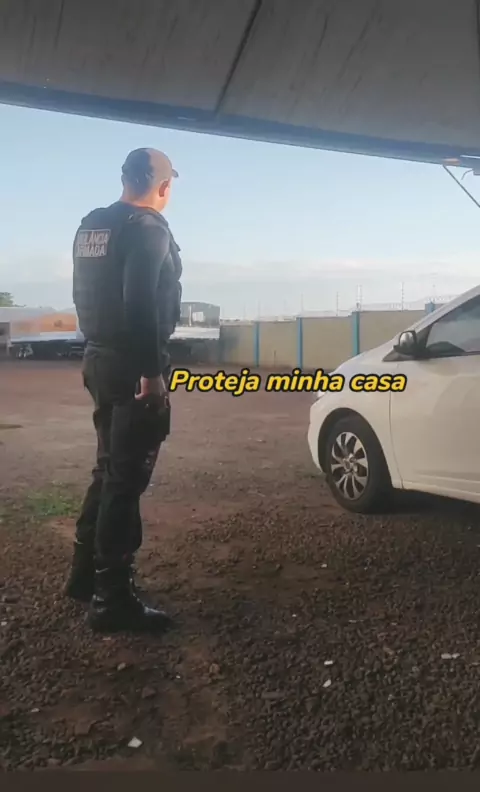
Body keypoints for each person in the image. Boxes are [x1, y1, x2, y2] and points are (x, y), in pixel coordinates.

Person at [65, 148, 182, 634]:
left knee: (108, 468)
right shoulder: (148, 229)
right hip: (134, 368)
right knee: (125, 479)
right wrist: (151, 373)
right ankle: (112, 599)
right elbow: (140, 304)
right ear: (163, 186)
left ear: (124, 178)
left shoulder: (91, 225)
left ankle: (83, 576)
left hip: (98, 359)